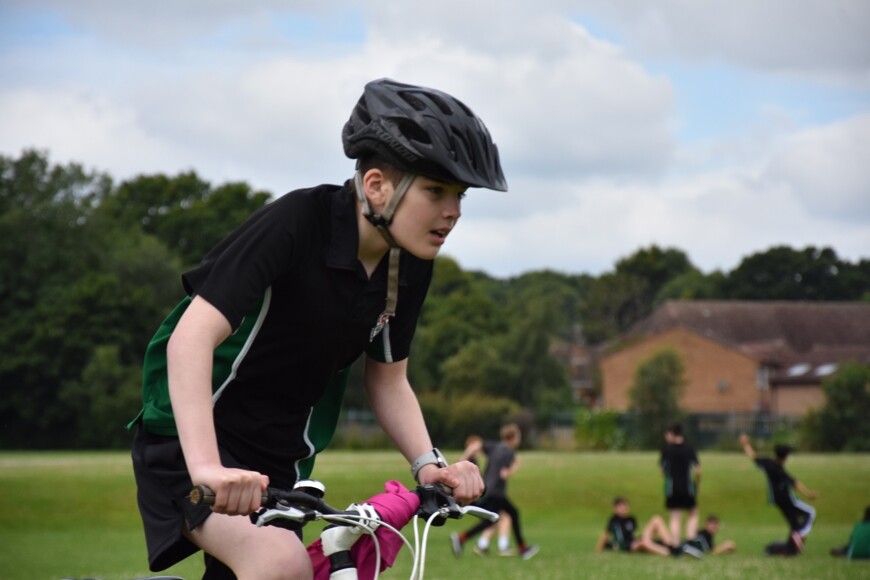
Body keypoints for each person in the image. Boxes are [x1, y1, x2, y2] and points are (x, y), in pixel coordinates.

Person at [128, 78, 507, 579]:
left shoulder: (408, 264)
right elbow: (189, 339)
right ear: (376, 186)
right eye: (435, 190)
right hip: (191, 438)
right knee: (281, 565)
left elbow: (388, 379)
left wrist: (428, 465)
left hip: (281, 458)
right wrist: (207, 468)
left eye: (459, 194)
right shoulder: (298, 221)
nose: (453, 211)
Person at [450, 424, 539, 560]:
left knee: (491, 521)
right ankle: (522, 549)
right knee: (513, 513)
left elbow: (475, 446)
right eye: (518, 437)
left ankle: (461, 539)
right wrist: (511, 469)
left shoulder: (495, 446)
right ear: (513, 438)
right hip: (496, 492)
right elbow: (507, 470)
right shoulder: (509, 452)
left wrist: (463, 457)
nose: (519, 440)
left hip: (487, 489)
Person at [739, 434, 818, 555]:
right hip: (788, 499)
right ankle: (799, 535)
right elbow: (794, 483)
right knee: (811, 513)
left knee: (794, 522)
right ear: (785, 456)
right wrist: (808, 494)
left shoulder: (768, 463)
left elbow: (753, 457)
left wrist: (745, 445)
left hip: (777, 500)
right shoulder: (779, 470)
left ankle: (790, 550)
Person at [459, 435, 513, 556]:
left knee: (497, 519)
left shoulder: (471, 461)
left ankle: (480, 544)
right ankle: (498, 547)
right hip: (478, 499)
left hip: (479, 497)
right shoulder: (469, 463)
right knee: (499, 518)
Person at [594, 497, 685, 557]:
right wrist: (598, 550)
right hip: (628, 546)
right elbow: (605, 535)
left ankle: (672, 545)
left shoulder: (631, 519)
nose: (623, 508)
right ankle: (669, 553)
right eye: (620, 506)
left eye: (625, 505)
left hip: (635, 540)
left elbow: (634, 534)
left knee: (656, 519)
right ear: (615, 508)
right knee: (643, 543)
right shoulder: (614, 520)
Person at [660, 423, 701, 546]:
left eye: (667, 434)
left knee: (675, 516)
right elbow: (697, 470)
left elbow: (662, 470)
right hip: (688, 488)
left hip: (672, 489)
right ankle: (690, 540)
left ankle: (675, 544)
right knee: (693, 513)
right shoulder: (689, 449)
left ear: (672, 434)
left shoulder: (667, 450)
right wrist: (697, 484)